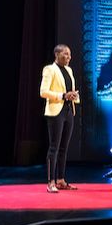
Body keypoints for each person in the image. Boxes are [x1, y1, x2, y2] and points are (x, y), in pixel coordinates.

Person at [40, 44, 80, 193]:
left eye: (70, 54)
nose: (69, 57)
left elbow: (69, 90)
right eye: (66, 54)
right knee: (54, 147)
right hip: (56, 111)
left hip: (69, 110)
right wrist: (62, 96)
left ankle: (61, 180)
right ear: (57, 55)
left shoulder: (69, 70)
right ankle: (51, 182)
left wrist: (73, 96)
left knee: (64, 148)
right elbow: (43, 92)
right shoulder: (49, 69)